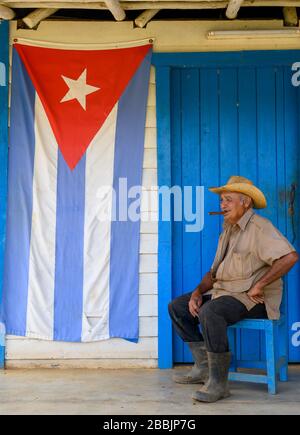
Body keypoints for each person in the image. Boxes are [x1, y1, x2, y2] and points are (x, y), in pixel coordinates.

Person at [168, 176, 299, 403]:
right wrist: (197, 292)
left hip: (253, 300)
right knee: (178, 307)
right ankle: (204, 368)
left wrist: (260, 284)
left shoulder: (260, 228)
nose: (222, 205)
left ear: (246, 202)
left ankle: (219, 384)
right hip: (225, 293)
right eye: (221, 201)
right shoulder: (228, 230)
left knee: (211, 312)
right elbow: (214, 273)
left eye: (228, 200)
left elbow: (290, 257)